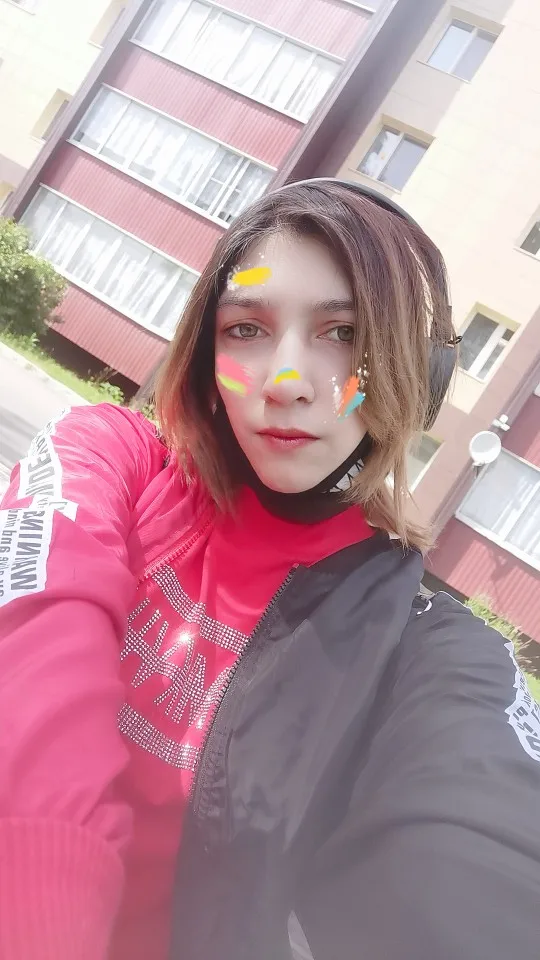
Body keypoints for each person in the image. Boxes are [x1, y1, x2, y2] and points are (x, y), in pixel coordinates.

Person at [0, 179, 539, 960]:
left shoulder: (420, 649)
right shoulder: (115, 457)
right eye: (246, 328)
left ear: (415, 376)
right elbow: (37, 612)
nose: (286, 381)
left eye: (343, 333)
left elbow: (484, 860)